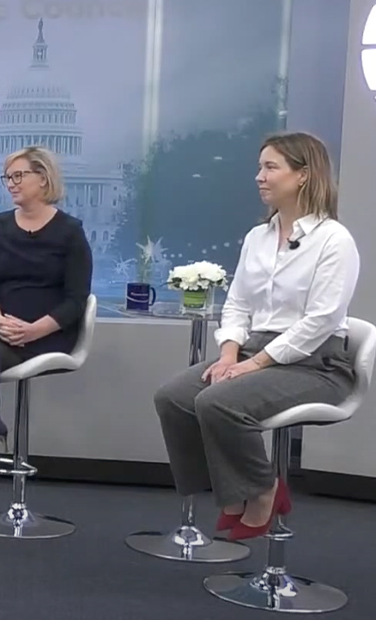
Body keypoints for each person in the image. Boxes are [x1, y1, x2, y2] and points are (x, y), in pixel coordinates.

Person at [154, 132, 359, 541]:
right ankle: (228, 492)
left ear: (303, 175)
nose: (259, 177)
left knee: (218, 401)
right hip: (254, 348)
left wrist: (253, 364)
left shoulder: (334, 240)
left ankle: (264, 490)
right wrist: (229, 355)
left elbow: (319, 321)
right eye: (260, 167)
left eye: (270, 167)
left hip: (316, 362)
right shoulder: (257, 237)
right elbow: (238, 306)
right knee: (174, 396)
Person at [0, 146, 93, 472]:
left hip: (49, 331)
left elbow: (77, 299)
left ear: (43, 178)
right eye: (8, 177)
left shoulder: (70, 232)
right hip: (2, 324)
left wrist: (34, 330)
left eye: (19, 176)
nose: (11, 184)